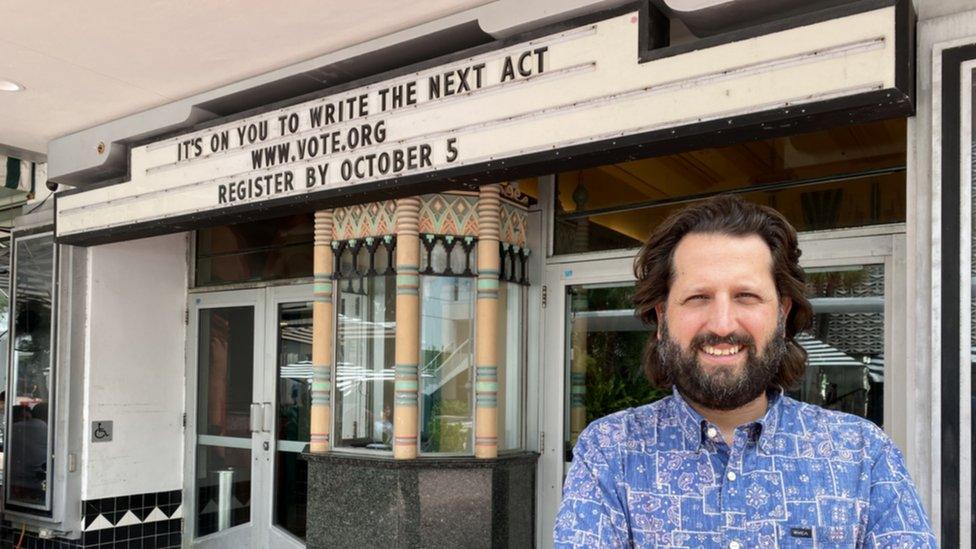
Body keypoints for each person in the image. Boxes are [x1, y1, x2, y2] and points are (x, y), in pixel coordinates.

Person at [554, 196, 935, 548]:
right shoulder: (609, 453)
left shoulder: (863, 455)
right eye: (698, 297)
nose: (722, 324)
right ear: (661, 316)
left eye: (746, 296)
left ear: (783, 314)